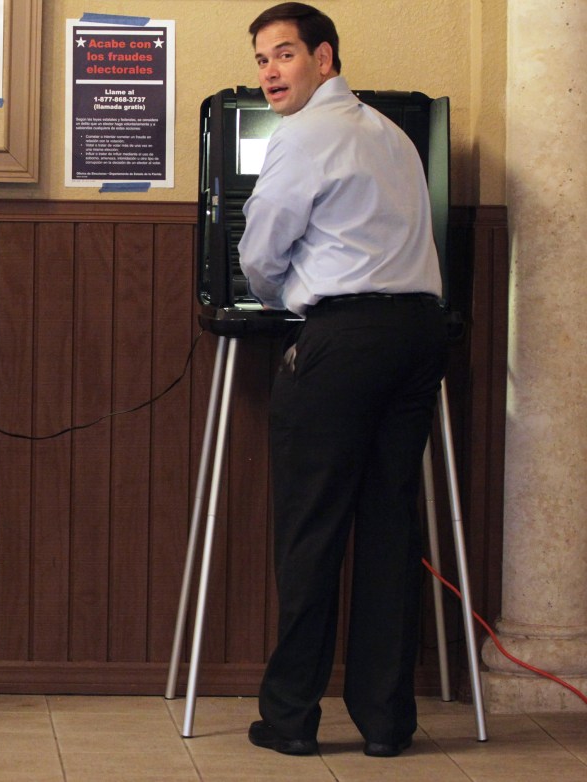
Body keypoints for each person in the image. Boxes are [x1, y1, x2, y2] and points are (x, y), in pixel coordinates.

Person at [236, 2, 449, 759]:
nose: (269, 73)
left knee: (311, 529)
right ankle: (388, 723)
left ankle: (291, 718)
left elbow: (261, 255)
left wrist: (280, 291)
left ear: (325, 58)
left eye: (285, 55)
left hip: (344, 341)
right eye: (262, 59)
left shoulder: (302, 136)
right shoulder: (392, 135)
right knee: (391, 530)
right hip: (419, 335)